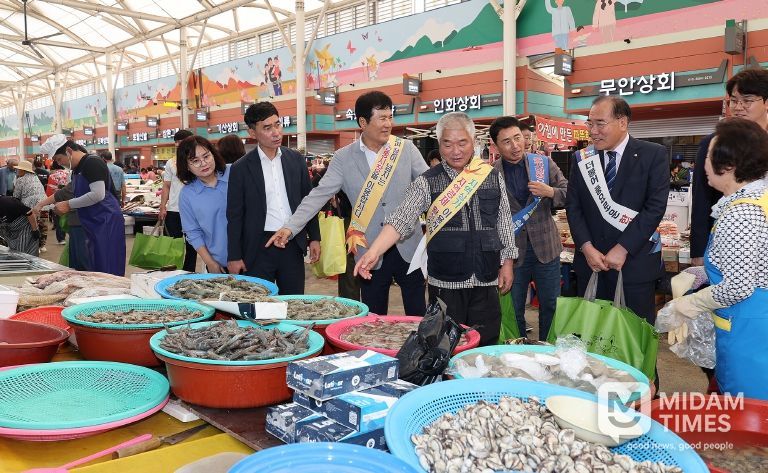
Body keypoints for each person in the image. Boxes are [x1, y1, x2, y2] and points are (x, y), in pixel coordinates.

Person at [354, 112, 517, 345]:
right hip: (446, 284)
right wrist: (373, 251)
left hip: (486, 279)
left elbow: (503, 222)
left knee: (484, 343)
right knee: (445, 348)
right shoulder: (427, 181)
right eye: (447, 144)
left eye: (462, 143)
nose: (455, 151)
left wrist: (508, 262)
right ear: (439, 144)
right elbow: (401, 219)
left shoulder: (490, 176)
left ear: (474, 142)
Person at [267, 92, 429, 314]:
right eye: (382, 118)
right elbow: (319, 195)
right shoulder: (344, 157)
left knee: (418, 312)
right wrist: (290, 227)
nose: (388, 124)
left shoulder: (406, 149)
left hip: (408, 244)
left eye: (390, 117)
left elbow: (429, 187)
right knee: (374, 316)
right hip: (368, 248)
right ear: (363, 122)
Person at [669, 118, 768, 400]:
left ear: (729, 166)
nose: (703, 164)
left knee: (749, 409)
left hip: (748, 330)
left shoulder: (739, 214)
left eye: (709, 156)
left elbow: (738, 287)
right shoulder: (757, 199)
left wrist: (689, 303)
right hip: (754, 322)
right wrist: (701, 275)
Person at [566, 96, 668, 324]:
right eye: (589, 123)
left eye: (600, 123)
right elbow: (573, 207)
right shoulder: (582, 159)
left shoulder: (653, 154)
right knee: (592, 341)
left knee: (634, 342)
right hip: (591, 265)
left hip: (635, 266)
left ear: (622, 122)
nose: (593, 131)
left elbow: (655, 208)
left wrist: (623, 249)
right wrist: (587, 247)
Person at [227, 102, 320, 294]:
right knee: (259, 307)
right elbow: (234, 215)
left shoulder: (295, 160)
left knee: (294, 304)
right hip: (257, 247)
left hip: (291, 243)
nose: (276, 132)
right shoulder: (241, 168)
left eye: (277, 124)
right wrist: (234, 256)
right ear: (252, 133)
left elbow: (308, 201)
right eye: (267, 128)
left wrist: (315, 238)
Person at [490, 116, 568, 340]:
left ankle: (549, 351)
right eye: (506, 141)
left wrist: (550, 192)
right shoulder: (490, 174)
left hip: (546, 249)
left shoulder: (542, 164)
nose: (515, 146)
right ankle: (519, 352)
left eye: (517, 138)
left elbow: (569, 193)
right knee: (513, 310)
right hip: (511, 255)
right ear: (495, 146)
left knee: (551, 305)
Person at [690, 68, 768, 266]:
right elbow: (701, 201)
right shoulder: (714, 143)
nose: (738, 107)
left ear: (766, 102)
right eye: (733, 100)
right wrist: (698, 253)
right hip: (729, 249)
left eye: (747, 100)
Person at [39, 134, 125, 276]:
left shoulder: (92, 163)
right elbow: (69, 191)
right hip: (93, 222)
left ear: (69, 151)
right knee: (93, 267)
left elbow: (98, 194)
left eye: (60, 159)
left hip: (106, 221)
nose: (60, 164)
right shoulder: (77, 170)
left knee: (107, 268)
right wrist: (43, 204)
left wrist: (68, 204)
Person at [177, 136, 231, 273]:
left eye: (206, 156)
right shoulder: (187, 195)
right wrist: (210, 263)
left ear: (213, 154)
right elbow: (193, 232)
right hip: (220, 264)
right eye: (195, 161)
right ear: (186, 166)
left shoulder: (234, 173)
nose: (203, 163)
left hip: (254, 258)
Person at [159, 129, 198, 272]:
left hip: (193, 210)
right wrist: (163, 206)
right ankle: (172, 272)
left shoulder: (198, 160)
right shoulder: (171, 162)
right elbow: (167, 185)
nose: (179, 145)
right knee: (171, 243)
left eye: (182, 142)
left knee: (193, 244)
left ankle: (189, 272)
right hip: (174, 209)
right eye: (177, 143)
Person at [12, 159, 47, 253]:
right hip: (42, 204)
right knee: (41, 224)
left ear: (23, 170)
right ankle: (42, 245)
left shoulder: (20, 180)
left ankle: (33, 246)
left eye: (19, 169)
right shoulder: (35, 177)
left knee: (30, 227)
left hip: (29, 206)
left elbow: (16, 197)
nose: (17, 171)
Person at [46, 161, 69, 245]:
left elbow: (49, 190)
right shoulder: (68, 174)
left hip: (57, 199)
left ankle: (61, 239)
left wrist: (49, 201)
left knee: (58, 219)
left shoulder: (52, 176)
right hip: (68, 199)